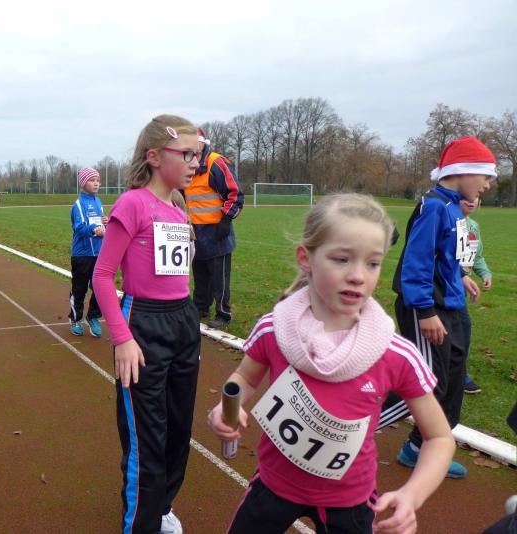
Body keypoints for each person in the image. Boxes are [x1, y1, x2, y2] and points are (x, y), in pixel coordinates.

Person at [207, 193, 455, 534]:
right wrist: (225, 408)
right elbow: (245, 379)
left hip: (350, 502)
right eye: (341, 259)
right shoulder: (274, 329)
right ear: (306, 259)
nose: (358, 276)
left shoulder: (395, 354)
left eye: (373, 263)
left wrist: (413, 495)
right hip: (272, 487)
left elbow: (440, 437)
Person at [93, 115, 201, 534]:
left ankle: (162, 506)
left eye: (197, 155)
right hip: (144, 325)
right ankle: (141, 522)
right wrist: (123, 338)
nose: (195, 163)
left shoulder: (179, 207)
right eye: (186, 154)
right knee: (147, 437)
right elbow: (104, 276)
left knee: (178, 430)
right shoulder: (132, 204)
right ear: (155, 157)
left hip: (183, 322)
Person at [379, 136, 496, 479]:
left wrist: (462, 276)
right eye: (485, 176)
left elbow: (445, 257)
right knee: (427, 383)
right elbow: (416, 263)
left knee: (454, 383)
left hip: (453, 307)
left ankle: (418, 449)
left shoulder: (455, 208)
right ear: (463, 171)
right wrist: (426, 311)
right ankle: (346, 430)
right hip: (428, 308)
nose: (488, 185)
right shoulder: (433, 206)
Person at [184, 128, 244, 330]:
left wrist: (226, 219)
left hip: (217, 231)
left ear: (204, 142)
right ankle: (200, 308)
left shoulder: (216, 162)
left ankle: (223, 313)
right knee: (200, 275)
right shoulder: (186, 164)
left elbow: (235, 193)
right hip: (195, 231)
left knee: (220, 279)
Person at [459, 195, 492, 394]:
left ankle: (457, 374)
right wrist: (459, 276)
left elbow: (476, 256)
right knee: (459, 329)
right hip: (441, 287)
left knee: (462, 330)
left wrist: (485, 273)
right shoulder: (449, 222)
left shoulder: (473, 226)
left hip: (461, 289)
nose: (472, 200)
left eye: (477, 197)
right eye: (467, 197)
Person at [68, 167, 105, 337]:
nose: (96, 183)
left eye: (98, 180)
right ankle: (75, 319)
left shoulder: (98, 202)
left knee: (100, 287)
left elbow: (100, 223)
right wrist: (94, 229)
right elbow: (80, 227)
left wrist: (105, 222)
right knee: (79, 289)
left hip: (98, 253)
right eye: (92, 180)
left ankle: (93, 316)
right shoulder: (78, 204)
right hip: (82, 255)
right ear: (83, 183)